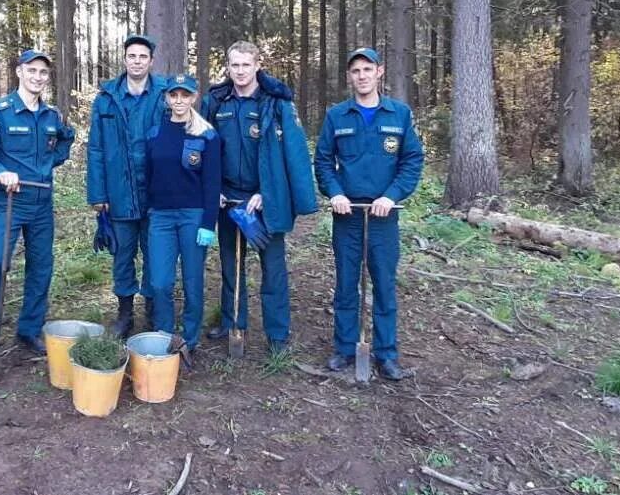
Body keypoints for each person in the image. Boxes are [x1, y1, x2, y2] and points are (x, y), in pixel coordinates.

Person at [314, 47, 424, 381]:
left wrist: (391, 197)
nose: (361, 76)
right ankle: (345, 349)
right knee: (346, 284)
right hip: (347, 215)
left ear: (380, 72)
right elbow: (322, 161)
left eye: (367, 69)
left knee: (384, 284)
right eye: (355, 71)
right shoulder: (337, 116)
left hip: (383, 217)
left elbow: (412, 161)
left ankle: (386, 354)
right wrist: (334, 193)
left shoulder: (399, 115)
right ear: (349, 77)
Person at [201, 41, 317, 355]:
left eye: (245, 65)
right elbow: (201, 147)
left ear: (257, 66)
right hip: (228, 200)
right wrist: (214, 190)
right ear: (228, 66)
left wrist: (268, 193)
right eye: (234, 65)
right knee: (229, 264)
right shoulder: (216, 101)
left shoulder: (275, 103)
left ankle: (277, 334)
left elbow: (292, 153)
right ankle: (232, 322)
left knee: (273, 268)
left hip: (264, 200)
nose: (240, 71)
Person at [0, 50, 75, 359]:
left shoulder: (51, 115)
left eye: (43, 72)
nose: (38, 77)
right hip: (10, 203)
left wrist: (46, 164)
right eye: (32, 71)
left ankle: (29, 330)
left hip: (42, 204)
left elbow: (65, 141)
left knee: (41, 268)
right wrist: (1, 172)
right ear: (19, 72)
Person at [86, 34, 167, 336]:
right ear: (124, 59)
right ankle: (124, 312)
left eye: (142, 57)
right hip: (118, 194)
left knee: (154, 251)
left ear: (150, 61)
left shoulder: (163, 94)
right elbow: (95, 149)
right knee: (122, 254)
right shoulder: (107, 98)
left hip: (156, 192)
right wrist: (98, 194)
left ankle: (152, 309)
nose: (136, 61)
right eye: (132, 56)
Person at [145, 74, 221, 353]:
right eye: (174, 95)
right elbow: (148, 176)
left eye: (184, 95)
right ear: (167, 98)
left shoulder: (206, 135)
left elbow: (213, 183)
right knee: (160, 282)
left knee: (192, 281)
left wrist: (208, 223)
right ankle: (164, 335)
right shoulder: (154, 134)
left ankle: (190, 339)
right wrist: (150, 211)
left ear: (193, 97)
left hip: (192, 216)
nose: (179, 101)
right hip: (161, 218)